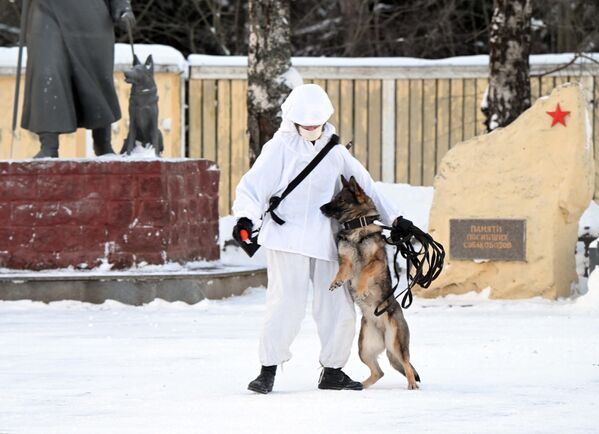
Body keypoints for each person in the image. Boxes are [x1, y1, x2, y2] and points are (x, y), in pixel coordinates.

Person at [232, 84, 395, 394]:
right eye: (305, 124)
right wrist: (245, 219)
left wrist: (397, 219)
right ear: (292, 120)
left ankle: (333, 371)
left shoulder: (335, 152)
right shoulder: (278, 148)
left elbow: (368, 188)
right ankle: (267, 370)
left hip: (324, 238)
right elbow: (251, 189)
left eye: (316, 124)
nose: (311, 129)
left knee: (337, 305)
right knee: (285, 303)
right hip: (286, 236)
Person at [21, 0, 136, 158]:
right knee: (47, 71)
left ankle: (103, 143)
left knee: (95, 76)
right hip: (46, 10)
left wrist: (122, 7)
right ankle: (49, 144)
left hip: (91, 17)